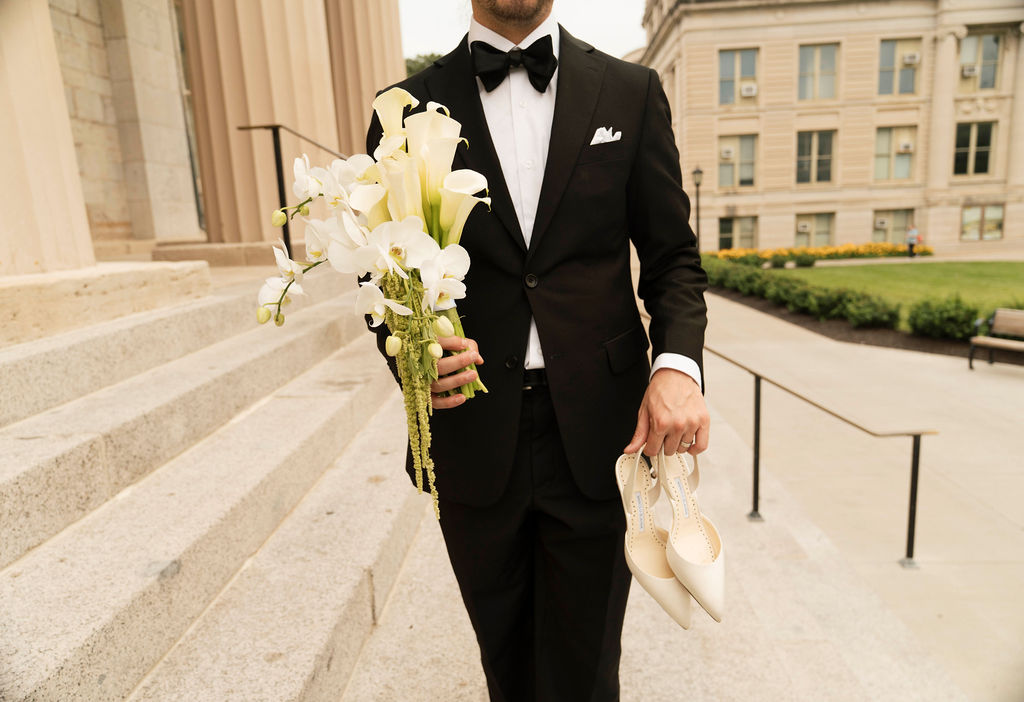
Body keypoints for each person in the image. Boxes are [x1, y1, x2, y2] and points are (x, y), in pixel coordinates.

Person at [363, 1, 710, 699]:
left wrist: (676, 365)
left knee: (585, 670)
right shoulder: (404, 107)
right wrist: (410, 355)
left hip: (601, 433)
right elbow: (381, 270)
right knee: (506, 664)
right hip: (471, 433)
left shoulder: (630, 92)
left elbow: (673, 259)